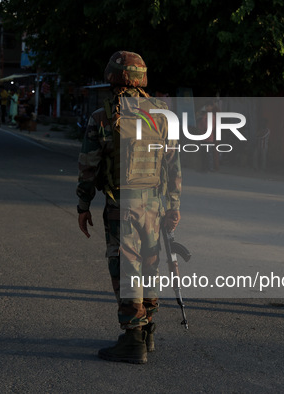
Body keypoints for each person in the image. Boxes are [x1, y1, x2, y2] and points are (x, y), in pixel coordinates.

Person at [76, 51, 182, 364]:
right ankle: (147, 330)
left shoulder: (103, 116)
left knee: (126, 267)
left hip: (122, 203)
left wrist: (83, 205)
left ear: (112, 76)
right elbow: (173, 164)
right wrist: (173, 206)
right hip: (155, 203)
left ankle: (132, 338)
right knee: (150, 264)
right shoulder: (164, 114)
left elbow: (88, 167)